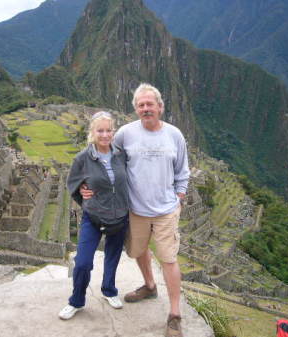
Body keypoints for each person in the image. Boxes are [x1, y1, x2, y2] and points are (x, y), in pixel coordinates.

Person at [81, 83, 190, 337]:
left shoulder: (174, 135)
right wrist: (84, 183)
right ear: (135, 109)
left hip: (165, 211)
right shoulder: (126, 134)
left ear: (160, 107)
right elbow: (101, 153)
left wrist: (179, 197)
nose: (145, 109)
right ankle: (150, 286)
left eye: (149, 104)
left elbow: (182, 171)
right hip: (136, 210)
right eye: (140, 105)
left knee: (169, 259)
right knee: (138, 251)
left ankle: (174, 314)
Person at [58, 111, 129, 320]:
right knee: (82, 262)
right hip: (94, 217)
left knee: (113, 257)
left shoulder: (121, 154)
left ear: (113, 132)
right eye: (100, 130)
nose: (105, 135)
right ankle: (76, 301)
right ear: (92, 132)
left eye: (108, 130)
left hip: (120, 217)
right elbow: (72, 184)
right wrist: (84, 196)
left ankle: (109, 290)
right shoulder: (82, 159)